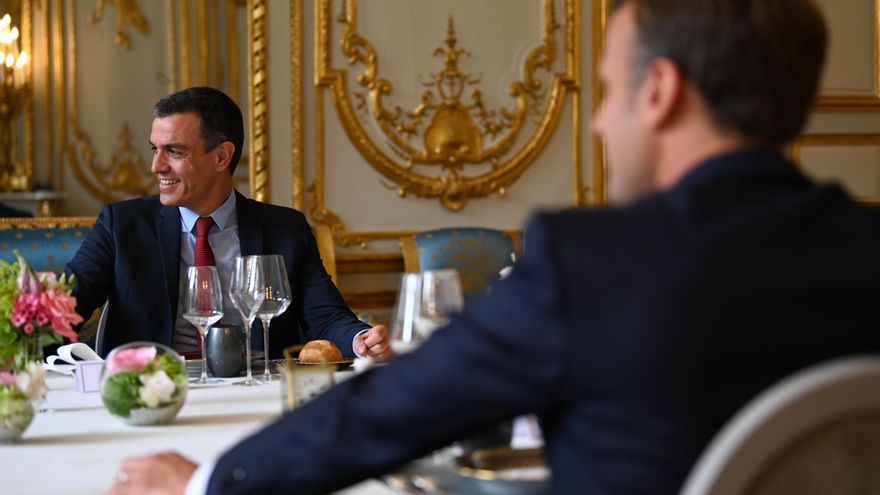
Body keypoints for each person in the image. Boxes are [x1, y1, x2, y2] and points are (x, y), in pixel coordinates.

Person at [105, 1, 880, 494]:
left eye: (608, 91)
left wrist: (212, 479)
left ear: (660, 92)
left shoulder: (592, 263)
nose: (602, 124)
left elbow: (390, 410)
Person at [67, 86, 391, 362]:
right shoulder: (121, 225)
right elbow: (67, 305)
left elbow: (325, 315)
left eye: (174, 152)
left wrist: (361, 340)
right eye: (155, 149)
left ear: (222, 156)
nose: (156, 166)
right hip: (152, 393)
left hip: (254, 392)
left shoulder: (286, 230)